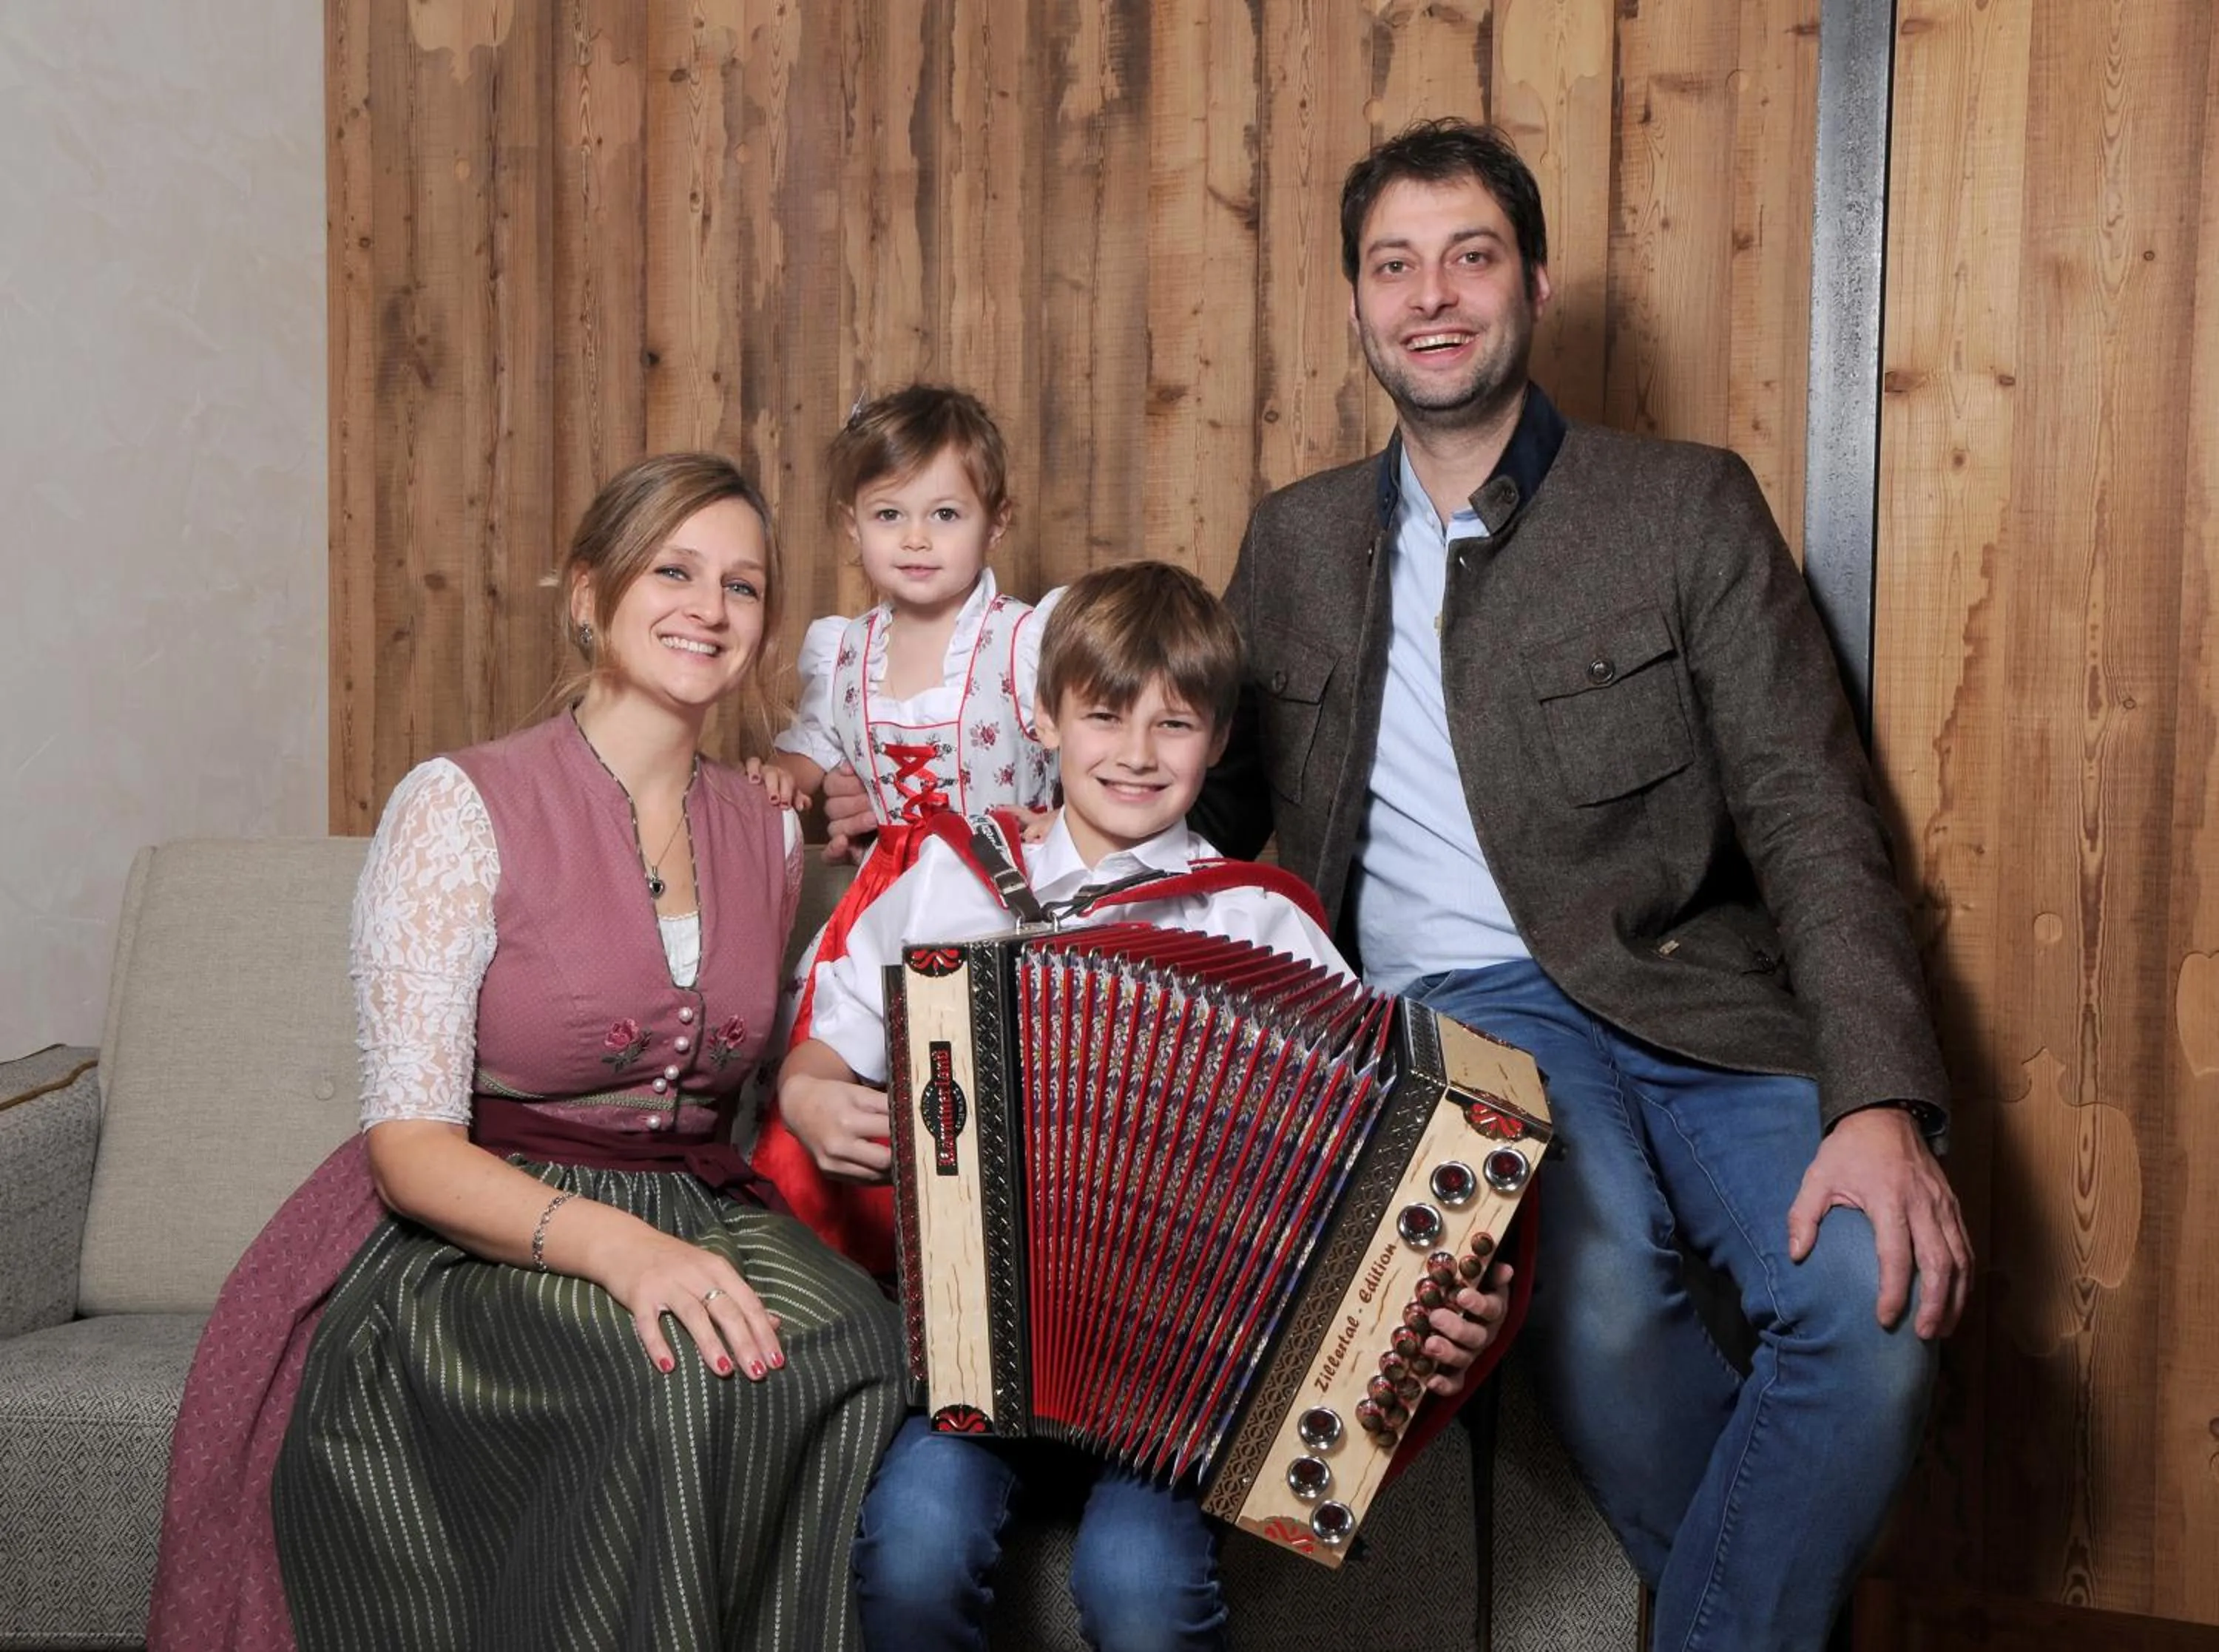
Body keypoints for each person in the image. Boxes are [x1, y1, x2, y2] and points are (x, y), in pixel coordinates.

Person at [1175, 119, 1971, 1651]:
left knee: (1876, 1294)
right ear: (1355, 305)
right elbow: (1185, 806)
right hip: (1465, 1022)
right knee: (1598, 1297)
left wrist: (1881, 1098)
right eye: (1393, 266)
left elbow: (1814, 812)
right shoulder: (1293, 542)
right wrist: (950, 793)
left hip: (1691, 991)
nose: (1432, 296)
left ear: (1531, 279)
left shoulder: (1683, 505)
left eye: (1468, 257)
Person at [147, 453, 907, 1652]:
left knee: (855, 1338)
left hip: (699, 1203)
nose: (710, 607)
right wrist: (618, 1246)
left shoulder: (768, 826)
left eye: (743, 585)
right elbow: (407, 1151)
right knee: (667, 1374)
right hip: (482, 1231)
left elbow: (789, 1047)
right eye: (674, 570)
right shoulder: (458, 804)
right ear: (591, 594)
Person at [777, 561, 1515, 1652]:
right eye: (1104, 714)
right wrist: (807, 1095)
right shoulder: (949, 882)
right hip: (975, 1353)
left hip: (1184, 1380)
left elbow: (1386, 1152)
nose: (1134, 752)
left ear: (1218, 743)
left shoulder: (1262, 927)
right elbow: (821, 1046)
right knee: (914, 1551)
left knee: (1141, 1587)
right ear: (1042, 716)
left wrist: (1454, 1290)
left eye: (1175, 725)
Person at [751, 384, 1060, 1271]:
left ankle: (979, 1269)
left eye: (945, 513)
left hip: (1004, 901)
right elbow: (813, 747)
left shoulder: (1024, 640)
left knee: (988, 1100)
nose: (916, 538)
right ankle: (844, 1262)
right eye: (891, 514)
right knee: (840, 1065)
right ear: (852, 527)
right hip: (883, 900)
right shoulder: (844, 649)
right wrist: (788, 777)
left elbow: (1091, 737)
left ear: (996, 522)